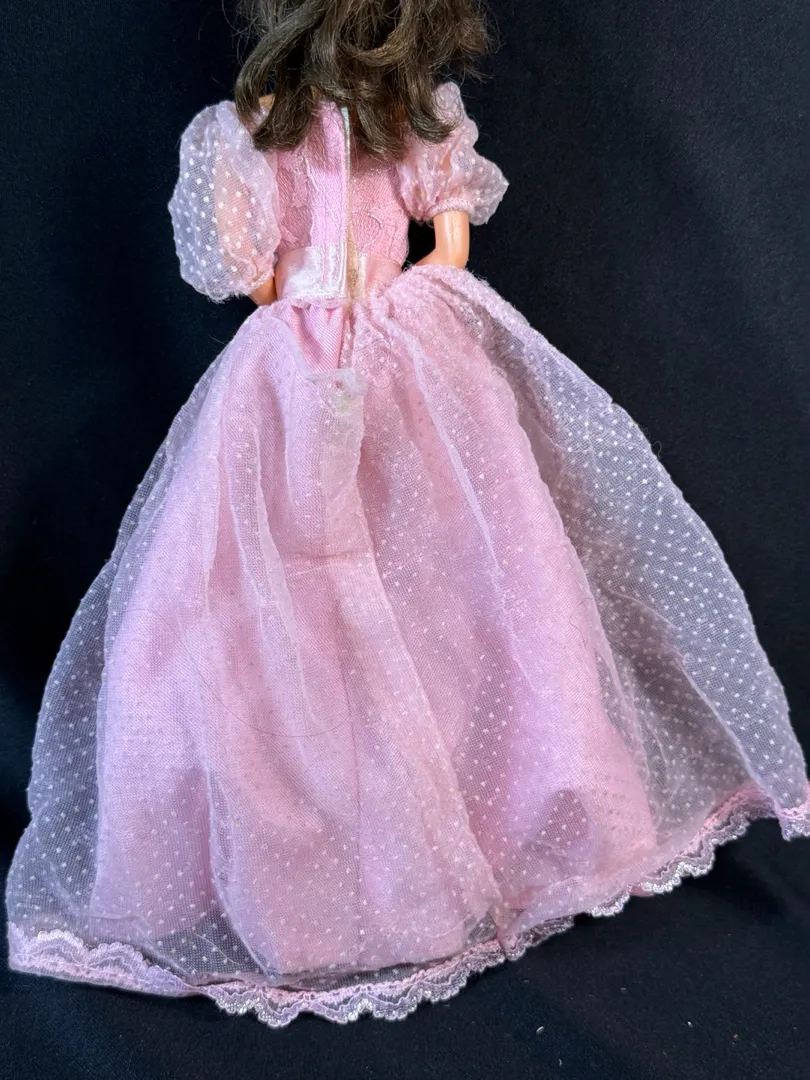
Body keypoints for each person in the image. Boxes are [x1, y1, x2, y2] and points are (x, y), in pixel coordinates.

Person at [6, 0, 809, 1027]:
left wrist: (351, 304)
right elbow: (285, 267)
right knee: (301, 600)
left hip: (350, 353)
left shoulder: (363, 120)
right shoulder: (270, 127)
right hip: (333, 366)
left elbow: (296, 270)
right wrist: (368, 302)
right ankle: (322, 874)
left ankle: (493, 827)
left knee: (452, 576)